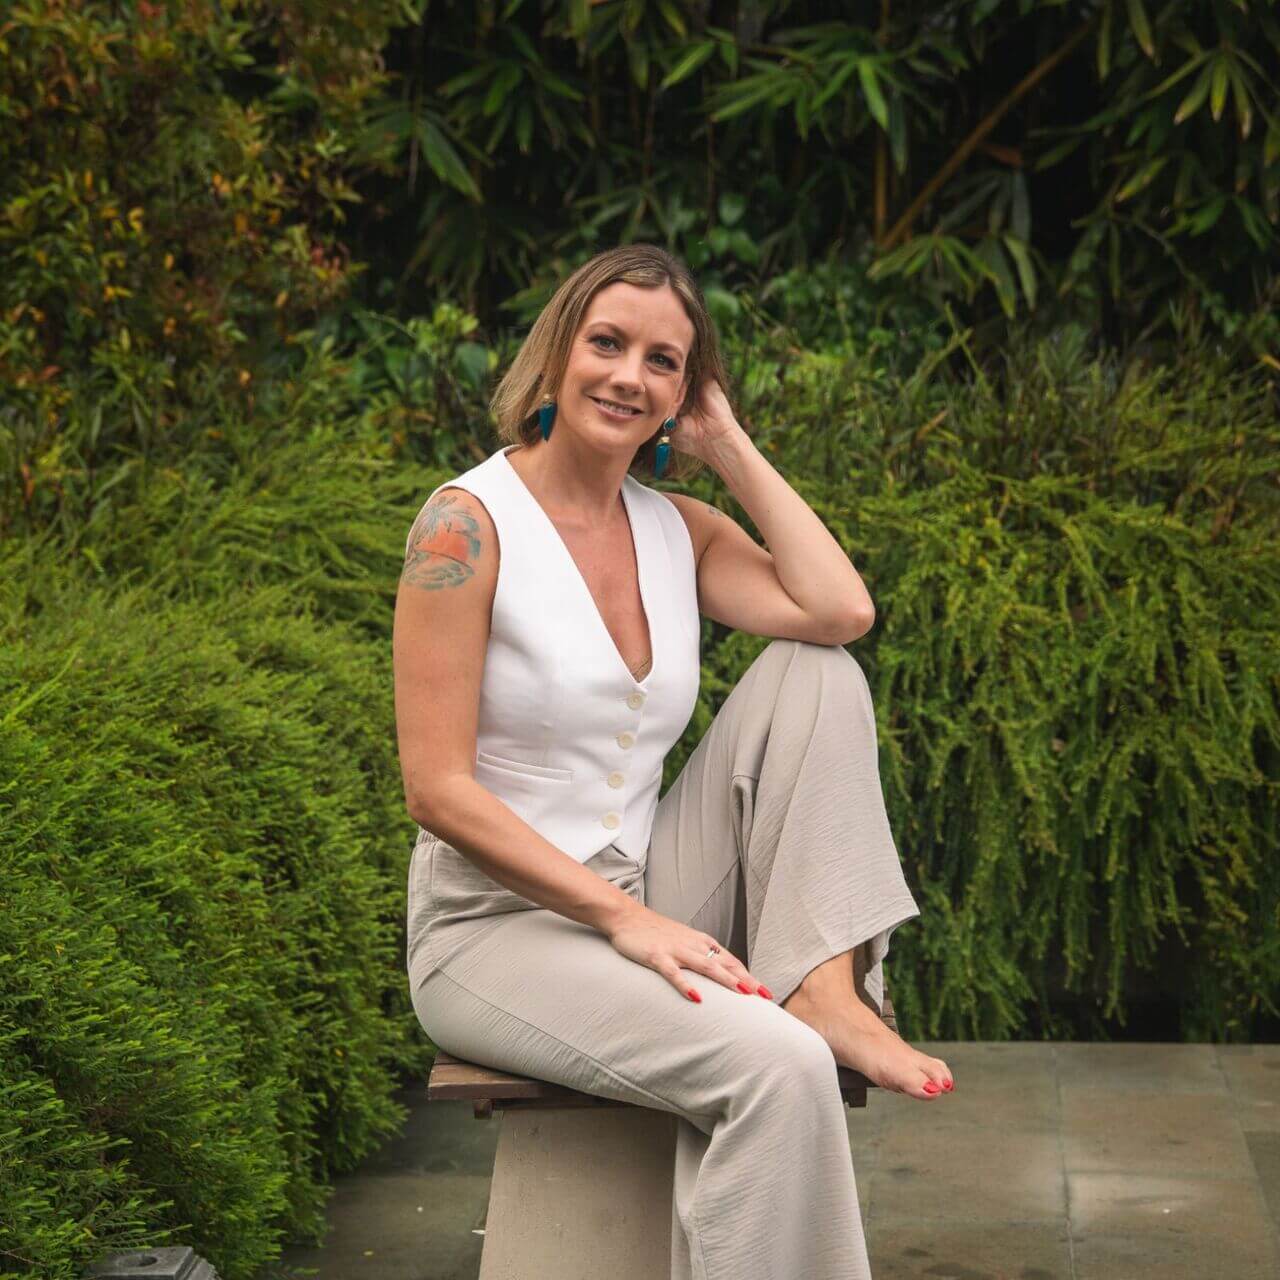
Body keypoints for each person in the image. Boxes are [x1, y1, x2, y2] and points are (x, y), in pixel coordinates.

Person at [393, 243, 954, 1280]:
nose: (627, 376)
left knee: (818, 671)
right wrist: (624, 920)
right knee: (778, 1069)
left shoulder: (674, 529)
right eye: (606, 343)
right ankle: (795, 1033)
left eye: (662, 362)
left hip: (643, 888)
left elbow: (840, 609)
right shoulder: (465, 525)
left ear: (684, 393)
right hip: (490, 930)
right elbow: (435, 789)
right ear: (558, 352)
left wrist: (726, 442)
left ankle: (825, 986)